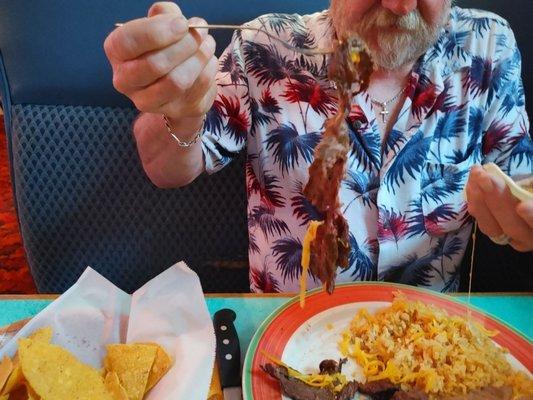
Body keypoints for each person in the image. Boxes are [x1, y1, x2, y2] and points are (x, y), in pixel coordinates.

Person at [104, 1, 533, 293]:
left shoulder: (488, 46)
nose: (401, 5)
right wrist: (176, 110)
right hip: (290, 329)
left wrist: (517, 211)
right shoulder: (264, 47)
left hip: (428, 341)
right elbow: (169, 167)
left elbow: (519, 181)